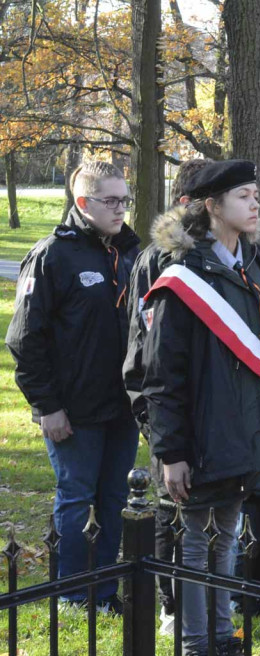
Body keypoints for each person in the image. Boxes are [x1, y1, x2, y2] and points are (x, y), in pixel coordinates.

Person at [140, 160, 260, 656]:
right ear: (212, 206)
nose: (255, 204)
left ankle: (225, 650)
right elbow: (162, 374)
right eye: (244, 196)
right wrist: (171, 451)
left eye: (256, 194)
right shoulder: (183, 277)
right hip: (200, 437)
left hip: (238, 432)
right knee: (196, 545)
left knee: (227, 539)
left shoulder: (245, 269)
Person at [7, 161, 140, 612]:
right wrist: (48, 406)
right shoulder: (53, 255)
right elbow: (23, 338)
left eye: (125, 199)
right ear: (83, 204)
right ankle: (70, 592)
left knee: (115, 499)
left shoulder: (130, 253)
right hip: (73, 412)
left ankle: (103, 591)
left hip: (121, 410)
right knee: (77, 498)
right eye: (111, 201)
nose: (121, 209)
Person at [124, 157, 211, 634]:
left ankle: (204, 604)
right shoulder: (160, 257)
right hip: (163, 400)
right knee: (169, 505)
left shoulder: (216, 251)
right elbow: (146, 347)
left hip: (205, 406)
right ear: (189, 202)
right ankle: (170, 604)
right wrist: (151, 417)